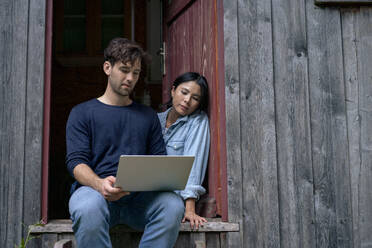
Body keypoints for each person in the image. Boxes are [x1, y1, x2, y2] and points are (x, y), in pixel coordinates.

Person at [66, 38, 184, 248]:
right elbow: (76, 163)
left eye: (136, 73)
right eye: (124, 70)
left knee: (172, 204)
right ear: (107, 68)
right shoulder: (81, 113)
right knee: (86, 207)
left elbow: (159, 161)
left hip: (139, 201)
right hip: (95, 195)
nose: (130, 78)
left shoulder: (148, 116)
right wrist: (100, 184)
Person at [158, 72, 211, 230]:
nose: (187, 100)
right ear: (173, 90)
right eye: (184, 92)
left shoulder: (197, 121)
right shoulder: (155, 119)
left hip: (172, 198)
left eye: (195, 98)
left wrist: (189, 209)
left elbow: (193, 162)